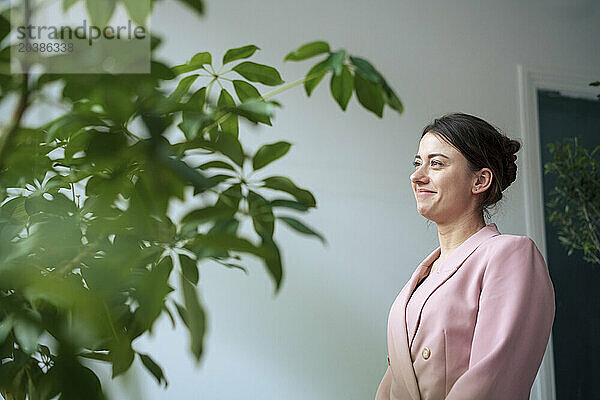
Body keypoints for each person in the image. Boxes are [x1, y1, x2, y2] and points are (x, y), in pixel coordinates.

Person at [375, 112, 555, 400]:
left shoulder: (510, 255)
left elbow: (490, 381)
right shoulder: (422, 276)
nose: (417, 176)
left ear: (480, 180)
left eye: (436, 164)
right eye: (417, 163)